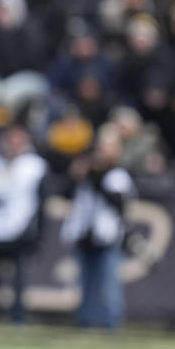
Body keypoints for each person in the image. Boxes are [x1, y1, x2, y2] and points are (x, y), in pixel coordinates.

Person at [61, 126, 136, 329]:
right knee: (85, 284)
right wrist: (76, 175)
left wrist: (98, 178)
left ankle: (112, 325)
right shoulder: (87, 174)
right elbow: (66, 194)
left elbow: (118, 204)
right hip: (85, 235)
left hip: (108, 237)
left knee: (109, 286)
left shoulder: (118, 175)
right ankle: (85, 322)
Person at [0, 122, 47, 324]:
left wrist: (37, 230)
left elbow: (41, 199)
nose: (14, 145)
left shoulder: (34, 166)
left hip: (22, 228)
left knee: (20, 277)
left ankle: (18, 316)